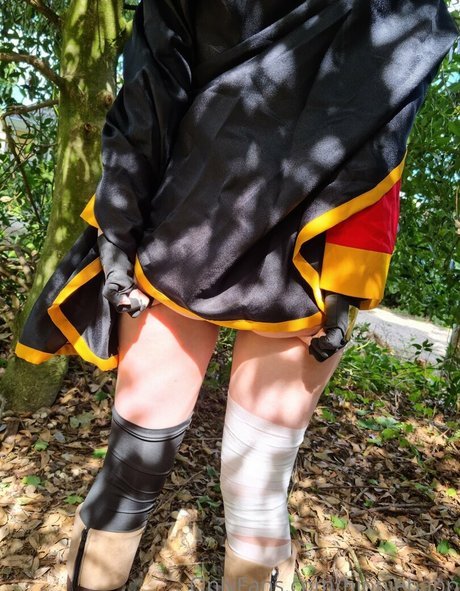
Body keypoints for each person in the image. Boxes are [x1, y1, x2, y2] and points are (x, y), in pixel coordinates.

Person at [14, 1, 457, 589]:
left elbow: (379, 139)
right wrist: (117, 228)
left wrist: (119, 230)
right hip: (225, 241)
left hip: (244, 239)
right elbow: (153, 91)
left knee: (236, 483)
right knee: (154, 468)